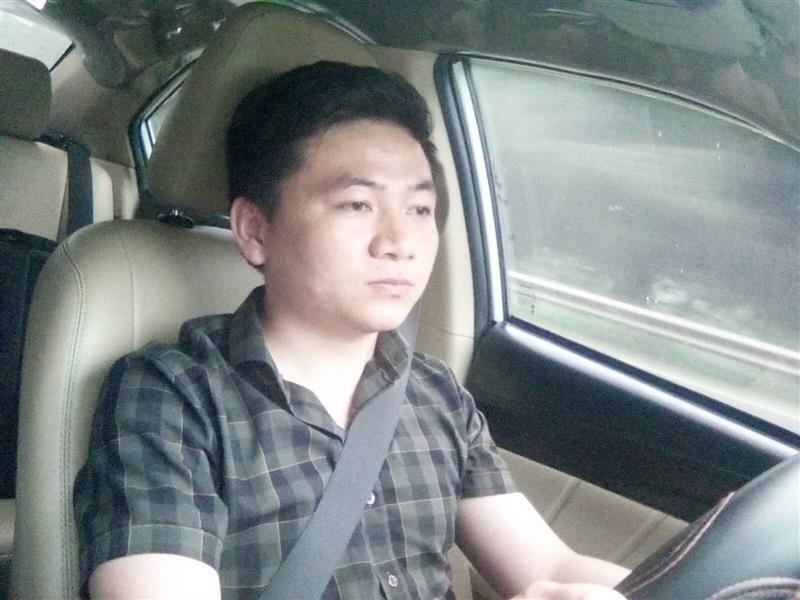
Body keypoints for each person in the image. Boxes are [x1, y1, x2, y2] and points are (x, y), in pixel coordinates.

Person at [73, 61, 629, 600]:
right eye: (358, 204)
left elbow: (550, 566)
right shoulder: (174, 397)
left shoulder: (435, 394)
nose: (399, 243)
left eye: (419, 209)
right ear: (256, 230)